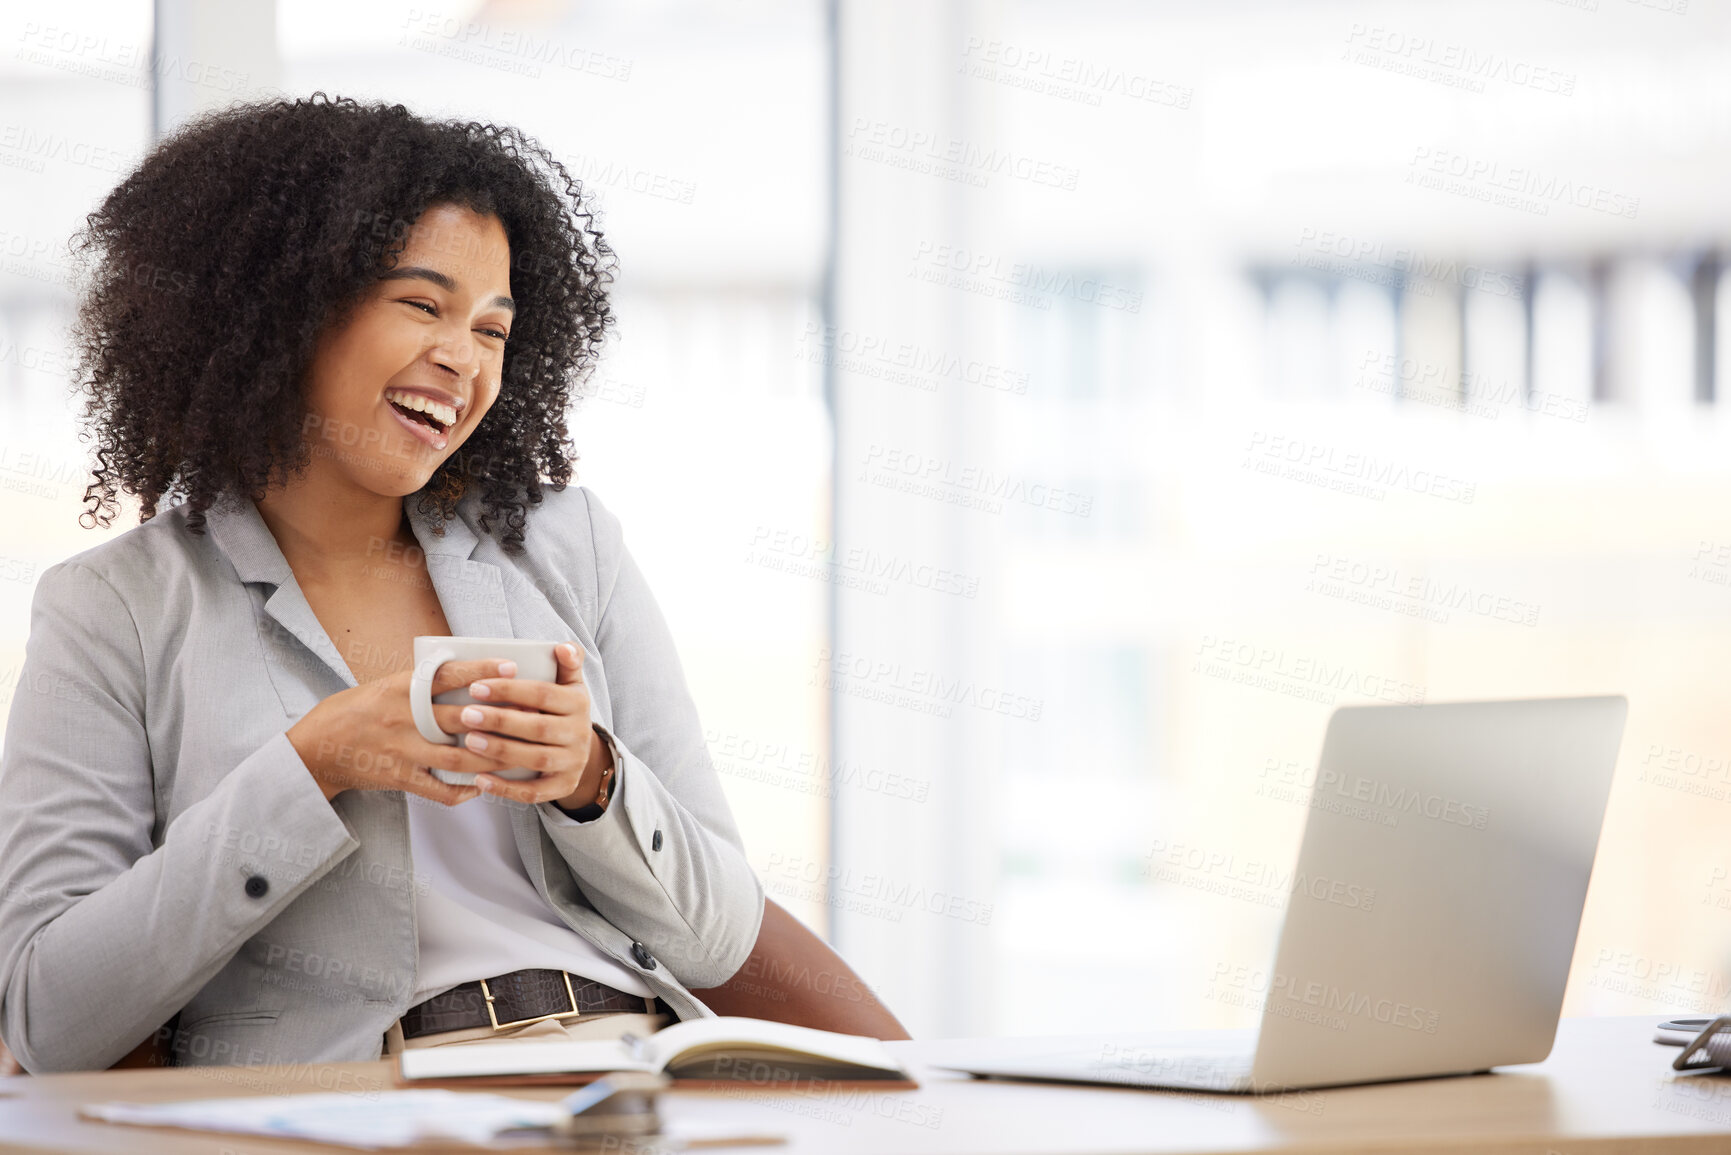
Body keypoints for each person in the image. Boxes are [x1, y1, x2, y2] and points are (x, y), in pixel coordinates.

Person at [0, 93, 764, 1073]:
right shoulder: (116, 609)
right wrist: (308, 768)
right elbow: (50, 1018)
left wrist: (592, 779)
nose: (463, 360)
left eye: (494, 330)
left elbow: (723, 938)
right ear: (286, 307)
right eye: (422, 304)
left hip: (626, 1075)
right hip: (362, 1104)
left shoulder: (568, 549)